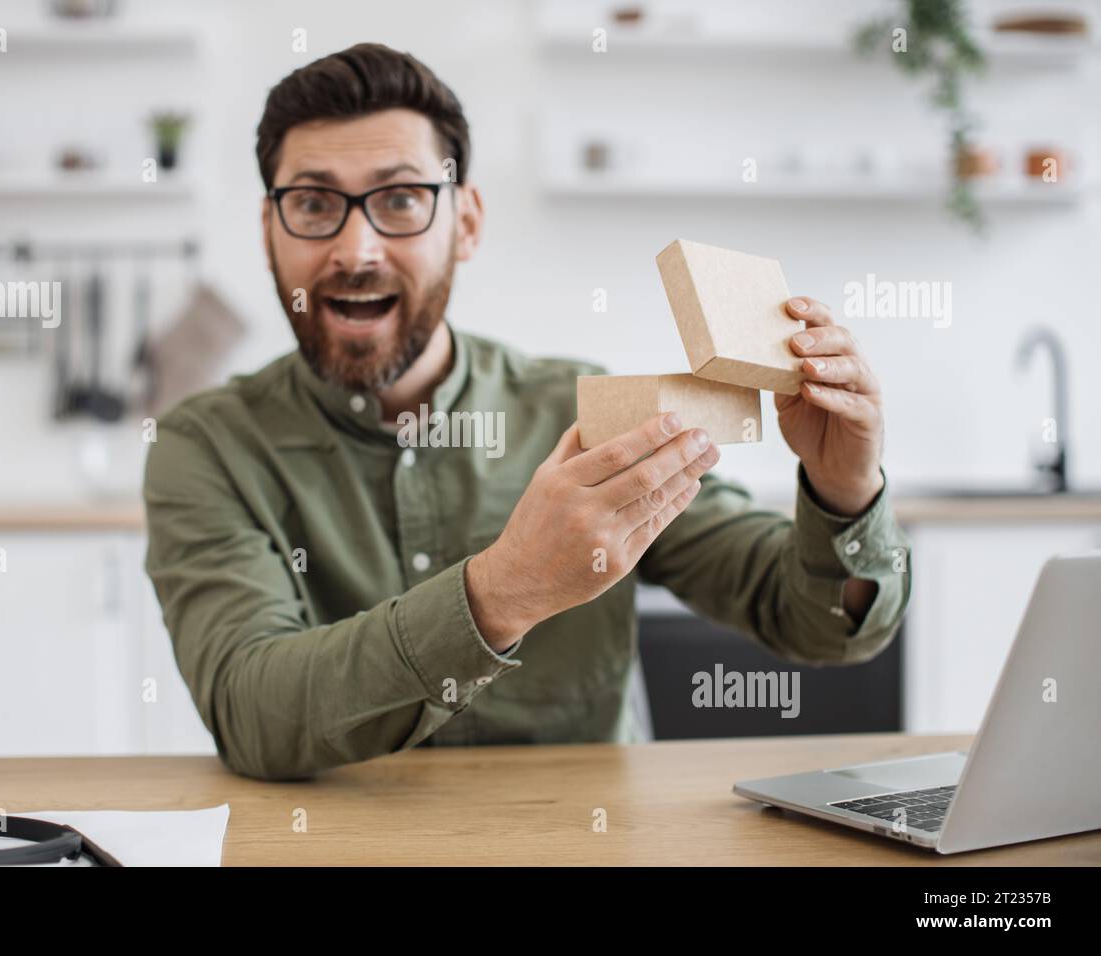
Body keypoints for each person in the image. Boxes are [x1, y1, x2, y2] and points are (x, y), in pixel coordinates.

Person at [143, 43, 911, 781]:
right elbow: (251, 713)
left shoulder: (578, 409)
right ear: (269, 229)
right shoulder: (207, 446)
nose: (358, 248)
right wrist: (507, 588)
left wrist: (846, 490)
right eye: (312, 203)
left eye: (401, 199)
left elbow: (816, 624)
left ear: (466, 221)